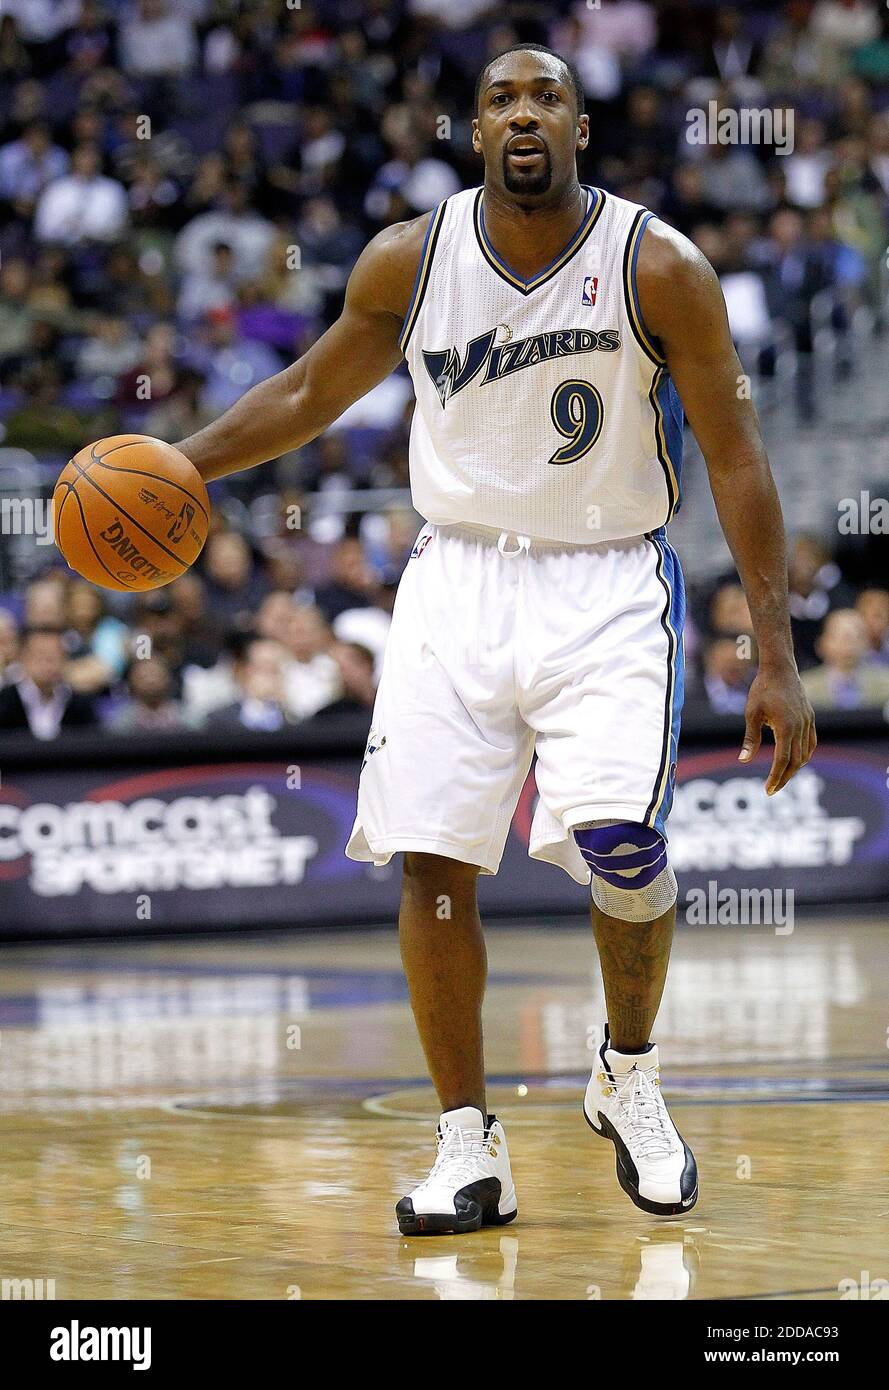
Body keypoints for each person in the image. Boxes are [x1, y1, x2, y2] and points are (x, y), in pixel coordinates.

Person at [168, 45, 816, 1233]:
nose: (524, 115)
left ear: (580, 126)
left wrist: (774, 651)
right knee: (434, 861)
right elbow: (312, 392)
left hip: (608, 579)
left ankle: (626, 1068)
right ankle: (468, 1143)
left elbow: (735, 451)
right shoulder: (409, 261)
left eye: (547, 98)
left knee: (623, 845)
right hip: (456, 579)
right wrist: (181, 463)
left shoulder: (655, 263)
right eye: (501, 100)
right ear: (472, 133)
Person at [0, 626, 98, 737]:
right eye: (42, 655)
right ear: (24, 659)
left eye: (55, 656)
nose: (49, 663)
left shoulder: (80, 704)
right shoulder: (5, 701)